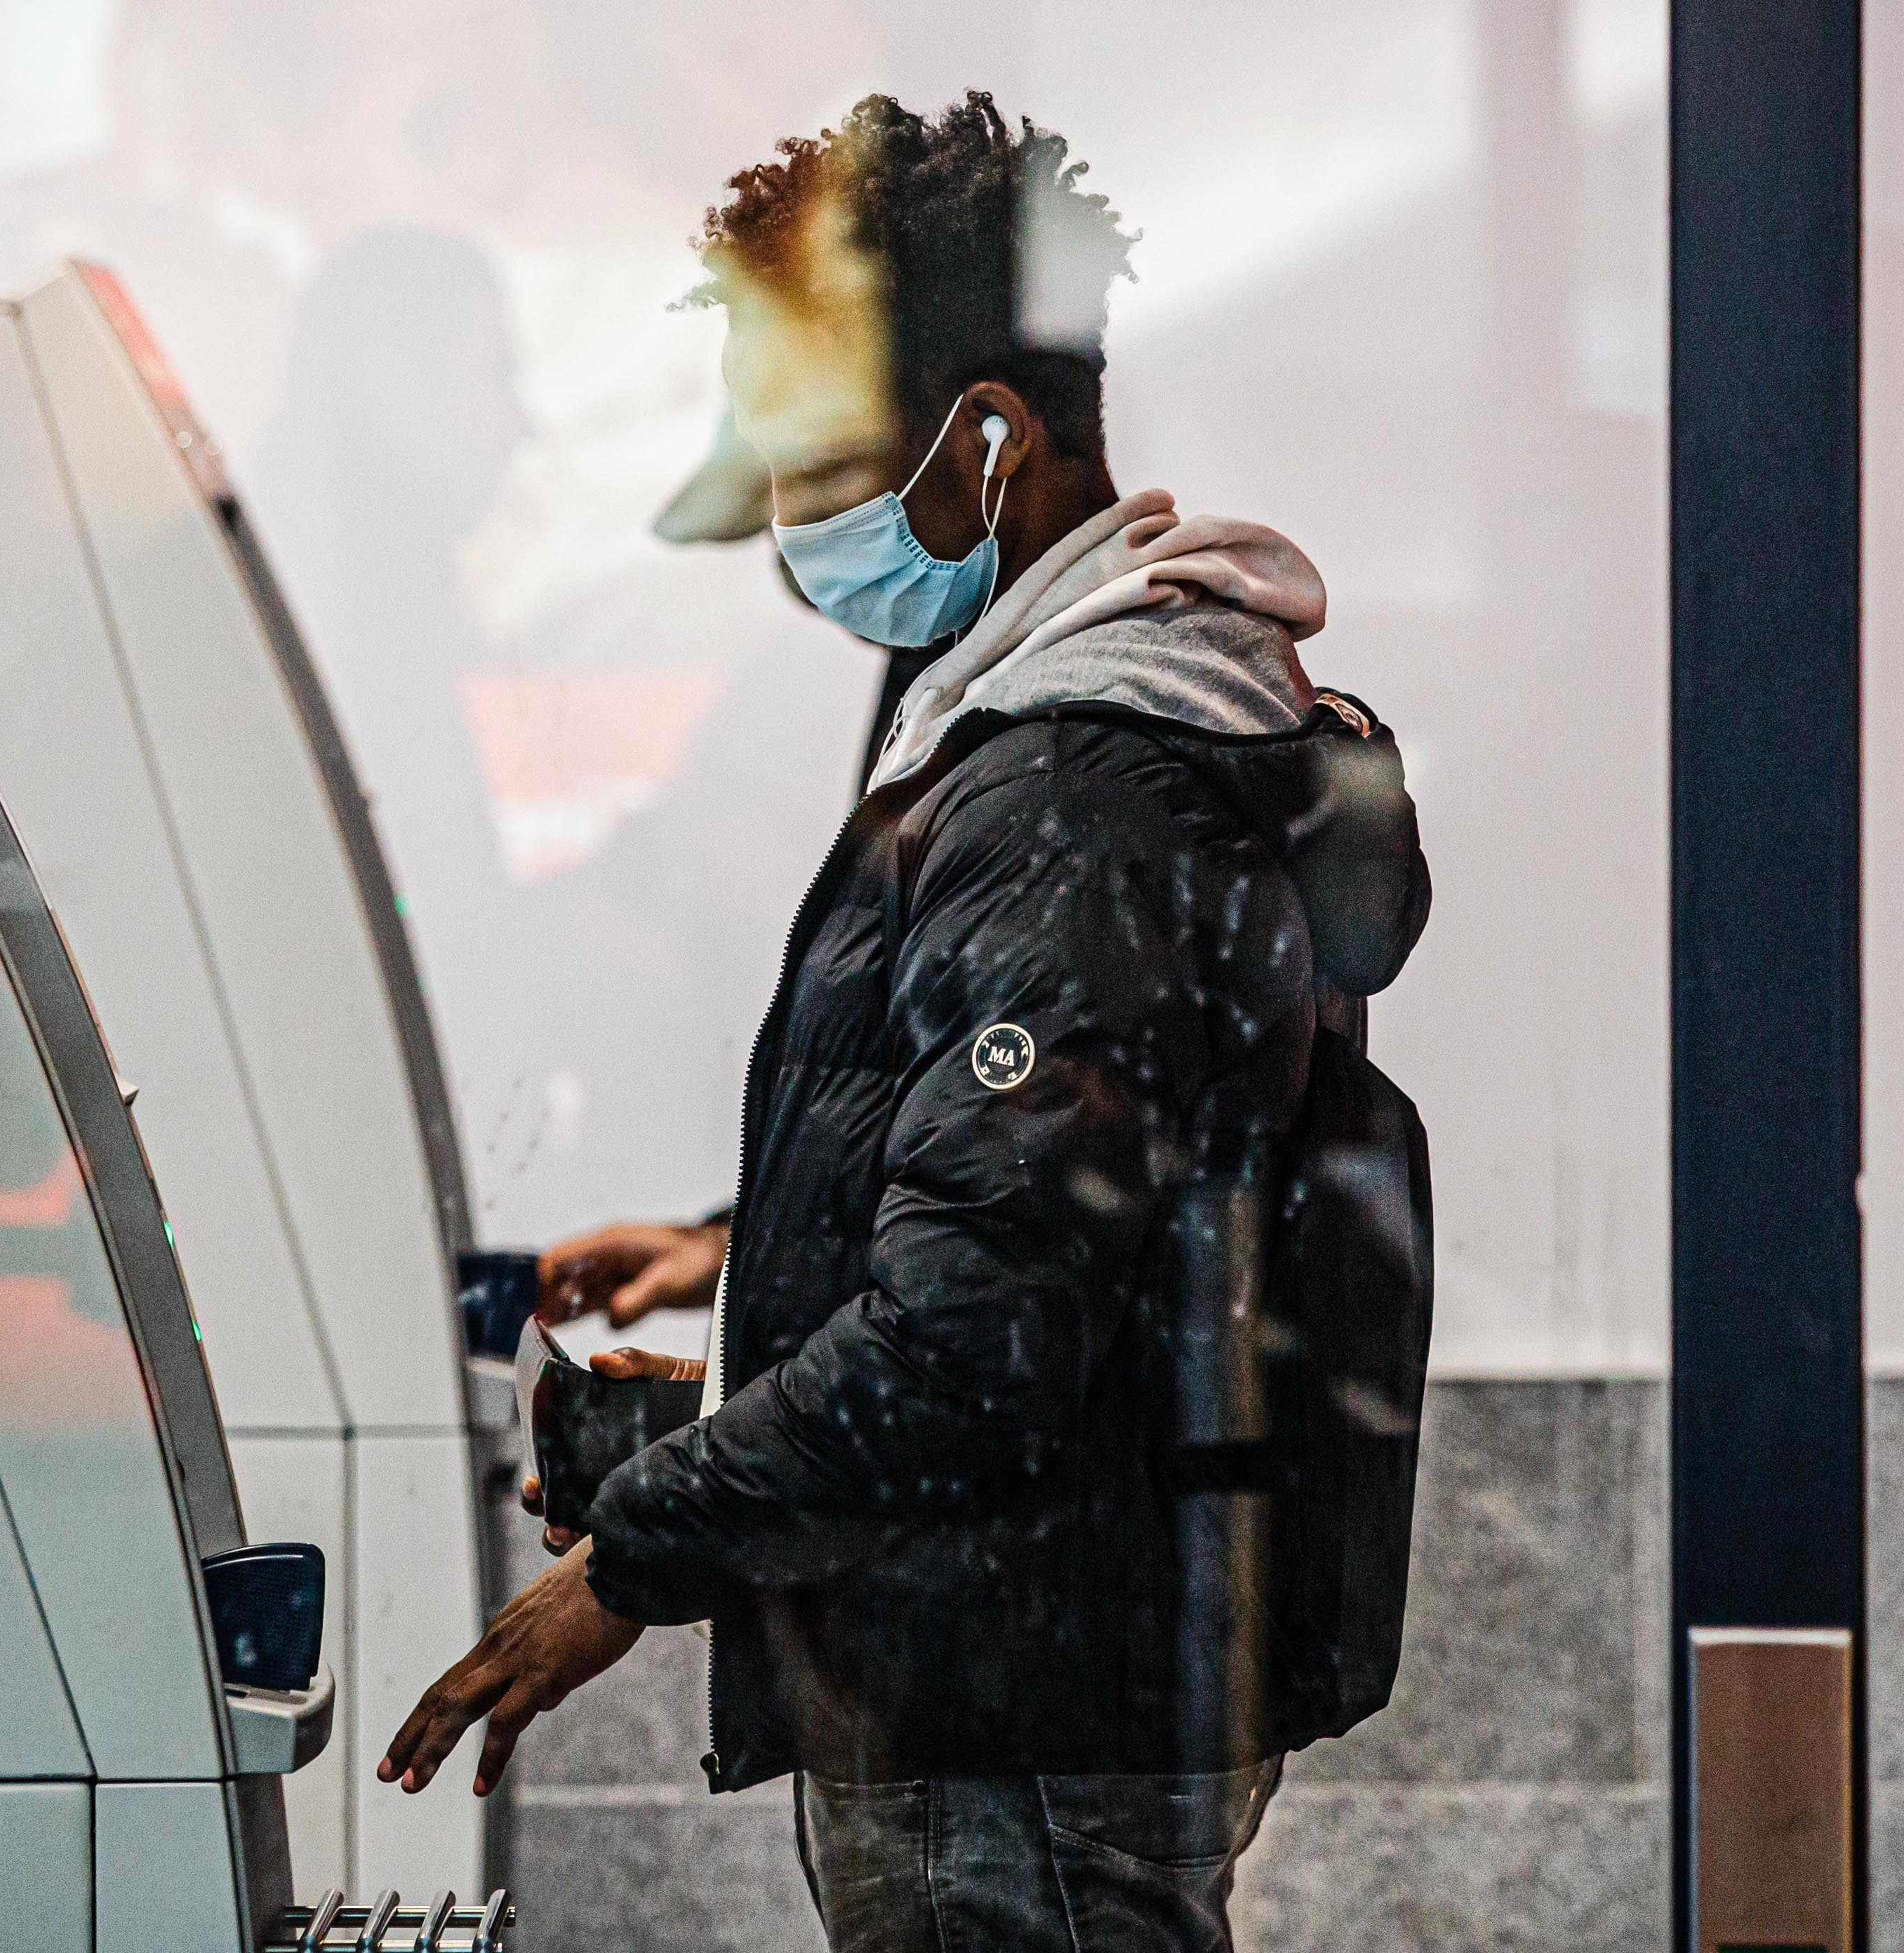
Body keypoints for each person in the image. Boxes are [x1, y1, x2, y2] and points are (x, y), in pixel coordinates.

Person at [381, 93, 1434, 1952]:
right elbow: (1085, 1204)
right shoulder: (1123, 739)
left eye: (810, 456)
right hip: (1055, 1681)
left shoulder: (1068, 788)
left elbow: (971, 1343)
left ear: (987, 439)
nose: (783, 518)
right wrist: (735, 1279)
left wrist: (628, 1563)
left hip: (1009, 1730)